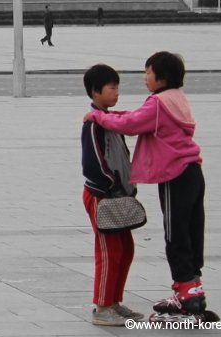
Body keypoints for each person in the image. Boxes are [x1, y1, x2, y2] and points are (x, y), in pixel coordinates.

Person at [84, 51, 207, 318]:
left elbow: (131, 123)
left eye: (148, 73)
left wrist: (98, 117)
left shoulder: (159, 103)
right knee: (192, 231)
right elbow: (139, 116)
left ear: (161, 77)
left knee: (176, 235)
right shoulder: (176, 98)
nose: (145, 78)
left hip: (176, 175)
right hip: (193, 173)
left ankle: (185, 292)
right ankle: (193, 288)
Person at [80, 64, 144, 326]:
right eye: (111, 87)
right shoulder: (93, 124)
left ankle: (114, 300)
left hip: (117, 194)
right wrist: (110, 183)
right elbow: (92, 161)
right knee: (108, 251)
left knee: (125, 248)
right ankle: (103, 306)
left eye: (118, 87)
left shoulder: (109, 120)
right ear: (95, 92)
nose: (116, 92)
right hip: (101, 196)